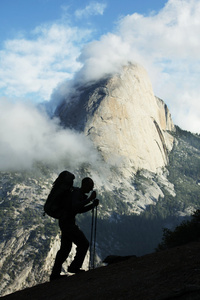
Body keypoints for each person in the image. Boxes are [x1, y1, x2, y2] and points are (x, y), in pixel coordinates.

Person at [50, 177, 99, 280]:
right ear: (84, 185)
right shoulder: (76, 193)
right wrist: (90, 200)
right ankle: (74, 267)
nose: (90, 189)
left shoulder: (77, 193)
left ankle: (55, 274)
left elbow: (79, 209)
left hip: (65, 222)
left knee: (65, 249)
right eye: (90, 187)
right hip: (68, 223)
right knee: (83, 243)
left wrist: (92, 205)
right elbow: (76, 206)